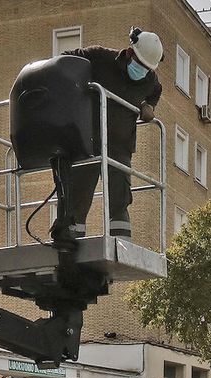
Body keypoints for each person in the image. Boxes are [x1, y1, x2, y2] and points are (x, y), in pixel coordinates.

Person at [54, 28, 165, 243]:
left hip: (120, 147)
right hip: (88, 142)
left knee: (120, 200)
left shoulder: (150, 79)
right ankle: (69, 246)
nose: (142, 71)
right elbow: (65, 60)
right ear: (130, 53)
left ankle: (121, 246)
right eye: (140, 65)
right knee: (78, 197)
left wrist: (148, 105)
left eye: (147, 69)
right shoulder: (99, 58)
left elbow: (155, 91)